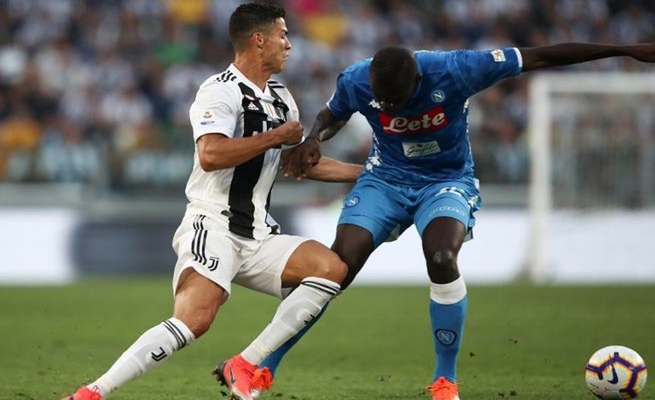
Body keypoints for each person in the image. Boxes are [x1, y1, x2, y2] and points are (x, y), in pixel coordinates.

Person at [262, 42, 655, 400]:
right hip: (385, 180)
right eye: (382, 101)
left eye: (396, 100)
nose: (389, 109)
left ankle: (445, 381)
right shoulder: (357, 78)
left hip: (445, 181)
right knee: (336, 268)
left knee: (441, 257)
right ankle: (264, 368)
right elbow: (334, 112)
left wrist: (626, 49)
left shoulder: (457, 69)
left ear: (418, 81)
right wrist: (315, 137)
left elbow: (540, 56)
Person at [60, 3, 362, 400]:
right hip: (214, 224)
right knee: (194, 321)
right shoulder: (219, 90)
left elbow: (295, 163)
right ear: (259, 40)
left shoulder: (282, 98)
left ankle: (245, 363)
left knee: (331, 269)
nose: (289, 45)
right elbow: (211, 154)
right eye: (282, 35)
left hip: (259, 233)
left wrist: (371, 173)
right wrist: (275, 136)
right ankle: (93, 392)